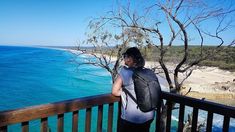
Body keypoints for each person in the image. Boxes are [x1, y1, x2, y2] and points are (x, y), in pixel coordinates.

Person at [112, 47, 154, 132]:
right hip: (149, 115)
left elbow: (115, 91)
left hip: (132, 119)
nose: (124, 58)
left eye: (125, 56)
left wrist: (124, 91)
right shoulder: (148, 72)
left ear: (130, 58)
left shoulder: (125, 72)